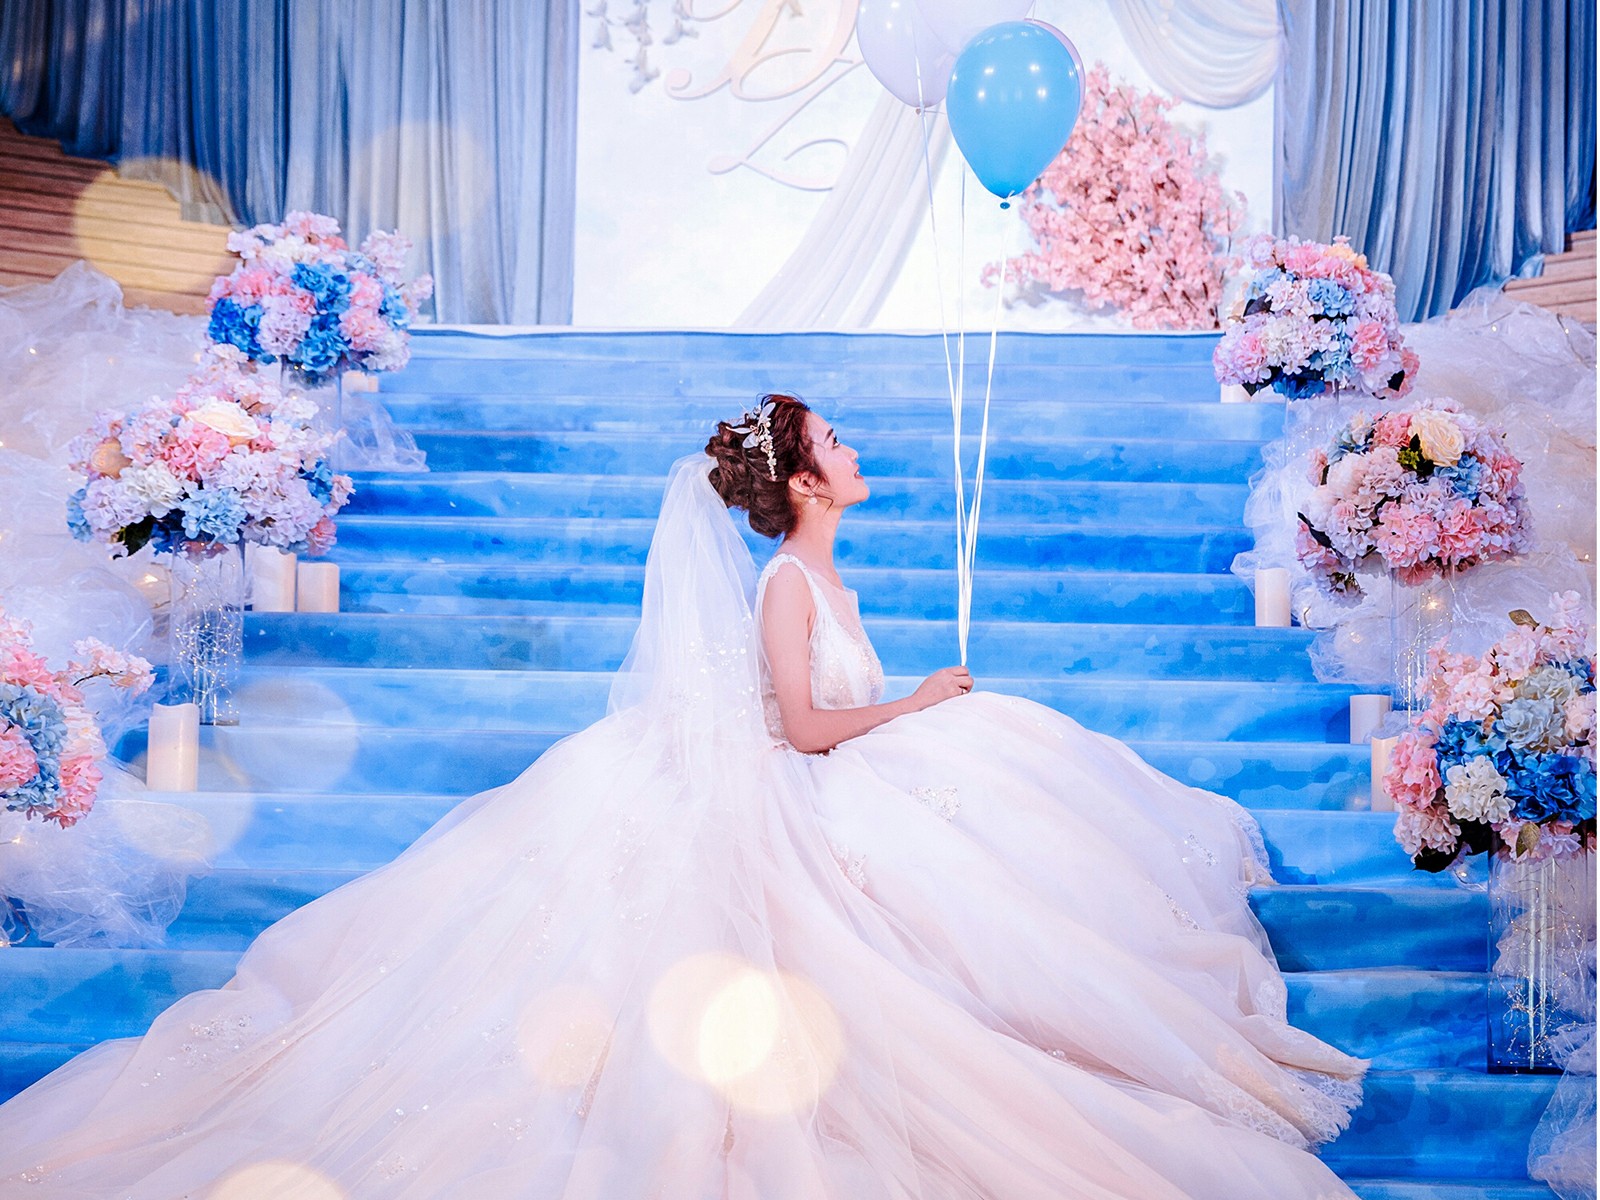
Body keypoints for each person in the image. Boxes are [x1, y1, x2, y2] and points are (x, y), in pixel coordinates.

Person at [0, 393, 1366, 1198]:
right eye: (837, 441)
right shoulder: (784, 585)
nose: (856, 452)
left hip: (832, 766)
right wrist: (912, 706)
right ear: (803, 481)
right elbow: (803, 727)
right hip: (805, 777)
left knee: (1003, 770)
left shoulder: (822, 574)